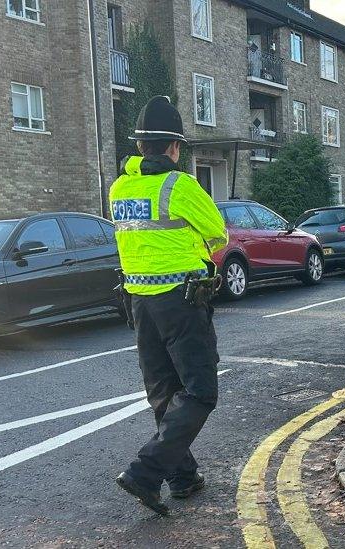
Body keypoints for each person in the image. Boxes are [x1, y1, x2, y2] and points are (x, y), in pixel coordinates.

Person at [109, 96, 228, 516]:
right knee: (199, 390)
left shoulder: (119, 187)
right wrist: (196, 256)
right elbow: (218, 236)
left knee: (163, 391)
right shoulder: (180, 186)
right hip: (181, 300)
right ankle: (146, 471)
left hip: (138, 302)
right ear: (175, 147)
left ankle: (182, 476)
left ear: (141, 146)